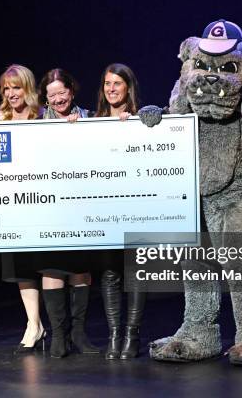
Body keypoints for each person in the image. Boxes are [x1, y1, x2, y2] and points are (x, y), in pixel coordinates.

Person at [36, 68, 99, 358]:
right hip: (49, 205)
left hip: (82, 205)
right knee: (52, 267)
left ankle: (78, 332)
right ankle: (58, 334)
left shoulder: (89, 117)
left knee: (80, 269)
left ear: (71, 92)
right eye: (52, 95)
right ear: (45, 99)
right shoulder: (35, 124)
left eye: (62, 92)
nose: (58, 98)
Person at [95, 63, 147, 359]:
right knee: (111, 271)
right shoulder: (94, 119)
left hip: (136, 205)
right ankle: (114, 334)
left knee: (136, 270)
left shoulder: (145, 117)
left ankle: (132, 334)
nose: (111, 89)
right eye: (106, 84)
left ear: (128, 87)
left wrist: (138, 125)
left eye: (117, 83)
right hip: (105, 207)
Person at [0, 64, 46, 353]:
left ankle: (52, 327)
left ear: (27, 88)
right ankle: (33, 323)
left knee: (45, 265)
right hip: (12, 203)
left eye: (16, 87)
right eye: (6, 88)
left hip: (42, 200)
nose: (11, 93)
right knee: (19, 266)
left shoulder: (43, 116)